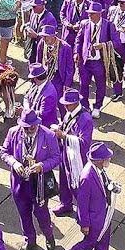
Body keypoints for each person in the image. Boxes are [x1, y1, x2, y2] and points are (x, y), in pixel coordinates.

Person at [55, 141, 120, 250]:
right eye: (106, 158)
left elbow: (103, 184)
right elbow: (82, 203)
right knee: (88, 244)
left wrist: (111, 185)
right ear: (99, 161)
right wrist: (85, 224)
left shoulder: (99, 170)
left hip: (103, 214)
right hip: (94, 219)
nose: (109, 159)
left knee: (104, 241)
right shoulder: (87, 177)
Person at [0, 110, 60, 250]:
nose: (29, 129)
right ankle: (29, 240)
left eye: (32, 126)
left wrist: (42, 166)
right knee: (24, 213)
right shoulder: (13, 132)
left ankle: (49, 236)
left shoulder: (49, 135)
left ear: (37, 123)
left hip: (39, 182)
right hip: (19, 183)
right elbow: (4, 152)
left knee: (42, 214)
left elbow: (56, 158)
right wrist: (14, 163)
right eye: (26, 127)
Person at [51, 89, 94, 218]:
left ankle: (84, 214)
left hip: (77, 159)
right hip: (65, 152)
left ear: (75, 103)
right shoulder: (69, 113)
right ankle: (66, 204)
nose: (65, 106)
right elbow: (66, 126)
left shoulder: (85, 119)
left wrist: (64, 136)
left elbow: (84, 143)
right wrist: (60, 128)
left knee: (77, 186)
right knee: (64, 180)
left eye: (67, 104)